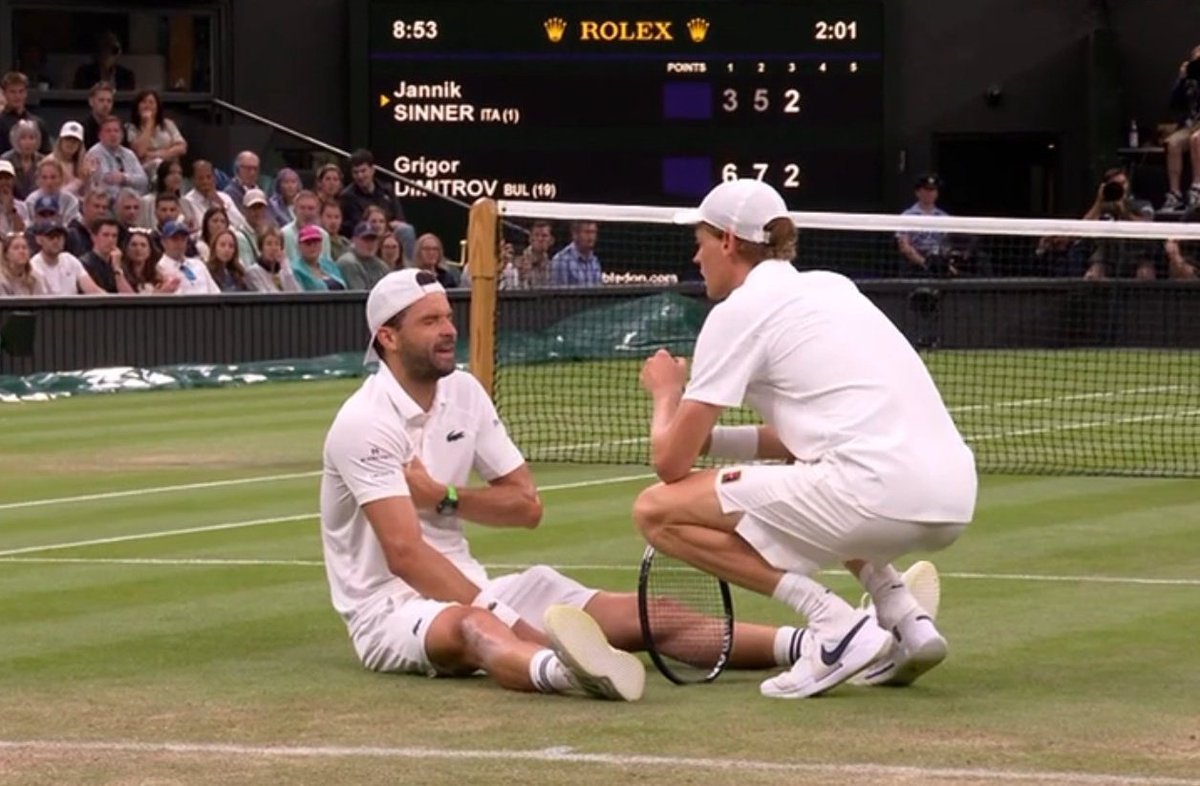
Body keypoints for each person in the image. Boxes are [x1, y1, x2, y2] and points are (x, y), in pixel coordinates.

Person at [319, 269, 814, 699]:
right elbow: (405, 555)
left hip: (473, 581)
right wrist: (508, 617)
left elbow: (525, 506)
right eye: (430, 321)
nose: (449, 330)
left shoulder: (464, 393)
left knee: (648, 615)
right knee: (476, 627)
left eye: (448, 316)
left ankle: (816, 644)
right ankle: (571, 672)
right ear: (388, 337)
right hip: (388, 609)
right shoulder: (364, 422)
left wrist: (446, 499)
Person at [632, 179, 977, 698]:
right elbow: (800, 441)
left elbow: (668, 463)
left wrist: (667, 396)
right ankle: (904, 616)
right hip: (952, 495)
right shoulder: (833, 287)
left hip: (874, 493)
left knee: (654, 510)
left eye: (701, 240)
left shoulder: (737, 313)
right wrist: (709, 438)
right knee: (816, 477)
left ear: (728, 240)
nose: (695, 255)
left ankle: (833, 625)